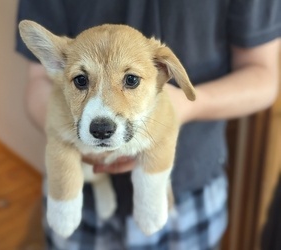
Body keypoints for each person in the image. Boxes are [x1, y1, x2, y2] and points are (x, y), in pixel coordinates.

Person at [16, 0, 281, 249]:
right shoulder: (61, 63)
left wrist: (188, 105)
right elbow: (39, 81)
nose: (103, 116)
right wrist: (66, 141)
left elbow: (263, 76)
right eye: (82, 81)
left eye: (130, 80)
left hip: (190, 189)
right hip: (80, 193)